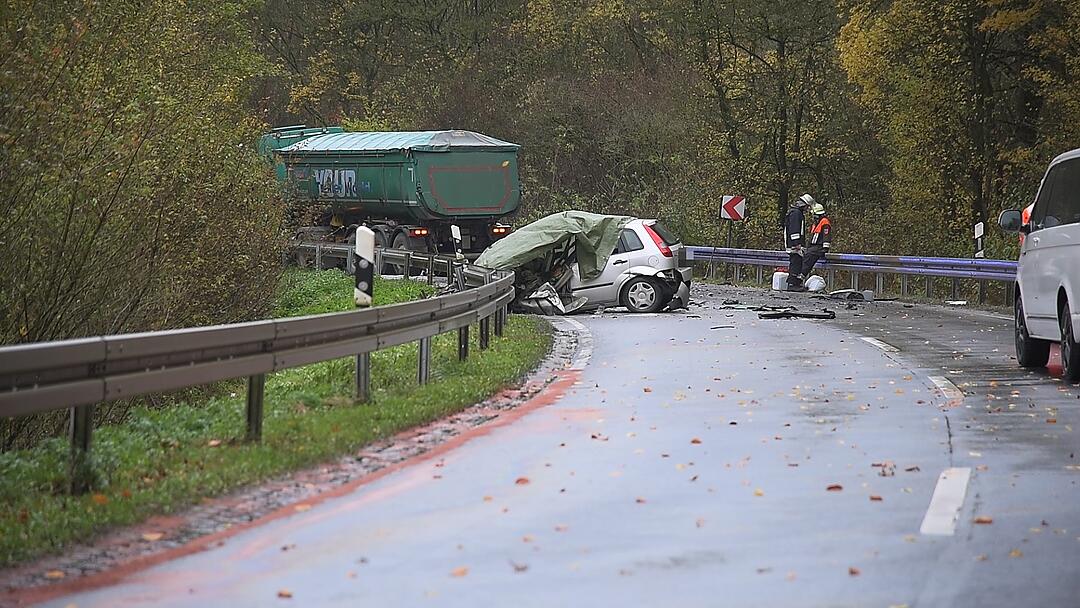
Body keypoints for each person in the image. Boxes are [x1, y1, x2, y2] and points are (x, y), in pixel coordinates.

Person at [784, 194, 813, 291]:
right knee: (795, 262)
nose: (807, 209)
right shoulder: (796, 214)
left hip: (793, 243)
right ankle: (792, 284)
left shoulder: (795, 212)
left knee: (797, 262)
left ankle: (794, 283)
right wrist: (796, 244)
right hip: (794, 244)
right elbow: (795, 230)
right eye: (807, 206)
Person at [801, 202, 832, 280]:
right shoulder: (816, 223)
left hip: (819, 247)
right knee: (805, 256)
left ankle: (801, 275)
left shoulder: (824, 222)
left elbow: (826, 235)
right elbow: (813, 237)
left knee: (809, 258)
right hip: (813, 247)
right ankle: (800, 275)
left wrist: (825, 248)